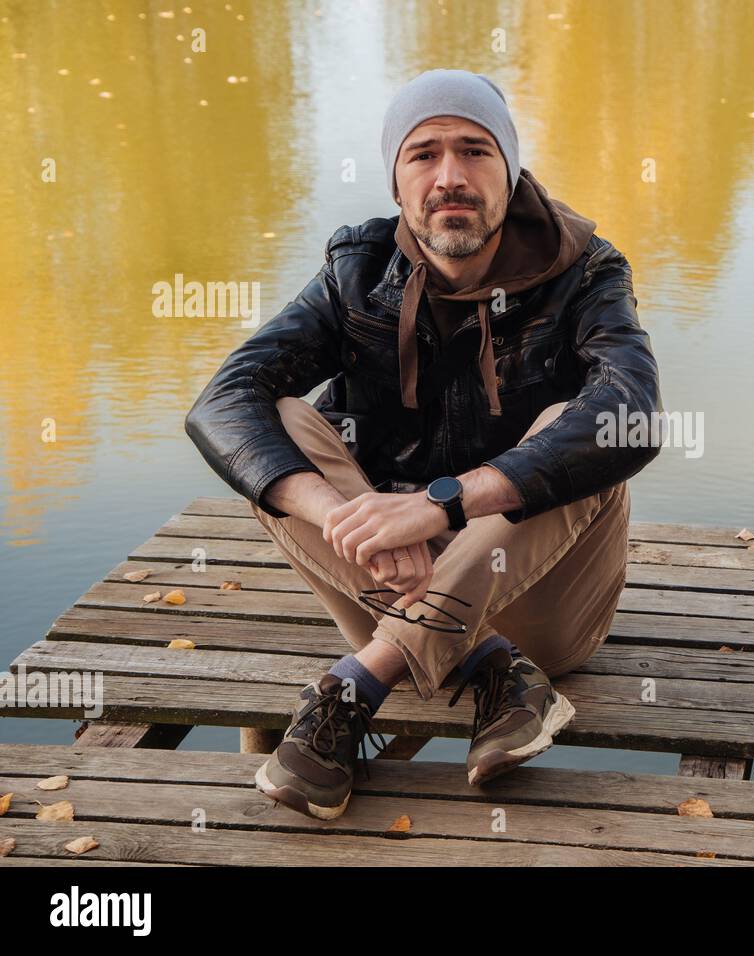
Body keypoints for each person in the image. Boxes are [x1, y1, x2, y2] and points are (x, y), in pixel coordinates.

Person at [184, 69, 662, 820]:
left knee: (582, 426)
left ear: (509, 169)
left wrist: (443, 507)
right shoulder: (356, 274)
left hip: (543, 608)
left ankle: (360, 683)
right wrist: (353, 515)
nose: (450, 177)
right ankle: (492, 669)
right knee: (273, 421)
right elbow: (220, 402)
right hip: (380, 574)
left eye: (475, 151)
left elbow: (632, 411)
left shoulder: (587, 273)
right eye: (424, 154)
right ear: (397, 181)